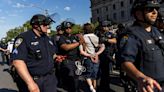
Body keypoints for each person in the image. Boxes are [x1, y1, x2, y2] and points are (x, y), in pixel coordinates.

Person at [118, 0, 164, 92]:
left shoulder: (156, 31)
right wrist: (140, 78)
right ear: (138, 13)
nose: (155, 12)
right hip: (146, 86)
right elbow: (125, 62)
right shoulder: (131, 34)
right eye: (150, 9)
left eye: (156, 9)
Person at [11, 14, 64, 92]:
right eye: (45, 24)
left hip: (50, 79)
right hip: (34, 80)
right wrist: (31, 83)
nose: (48, 26)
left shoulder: (47, 38)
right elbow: (17, 62)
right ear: (36, 25)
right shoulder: (24, 38)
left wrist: (56, 57)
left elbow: (52, 54)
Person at [58, 21, 84, 92]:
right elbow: (66, 47)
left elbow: (83, 47)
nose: (69, 29)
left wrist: (82, 39)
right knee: (70, 80)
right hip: (68, 62)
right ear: (64, 29)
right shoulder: (61, 38)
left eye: (70, 27)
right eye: (67, 28)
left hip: (76, 61)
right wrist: (78, 43)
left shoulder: (74, 37)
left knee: (76, 78)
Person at [79, 23, 105, 92]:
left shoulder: (83, 38)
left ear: (84, 29)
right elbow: (103, 46)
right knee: (95, 75)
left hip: (88, 58)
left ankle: (91, 87)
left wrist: (89, 55)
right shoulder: (96, 37)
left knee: (87, 75)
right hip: (96, 58)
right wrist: (97, 53)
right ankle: (95, 88)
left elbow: (81, 51)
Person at [97, 21, 117, 92]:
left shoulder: (111, 34)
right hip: (100, 54)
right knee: (100, 72)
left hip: (108, 55)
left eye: (105, 26)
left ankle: (106, 87)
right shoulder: (98, 34)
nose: (104, 28)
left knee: (106, 72)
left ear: (108, 27)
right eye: (103, 26)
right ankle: (101, 86)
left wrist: (106, 40)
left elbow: (115, 41)